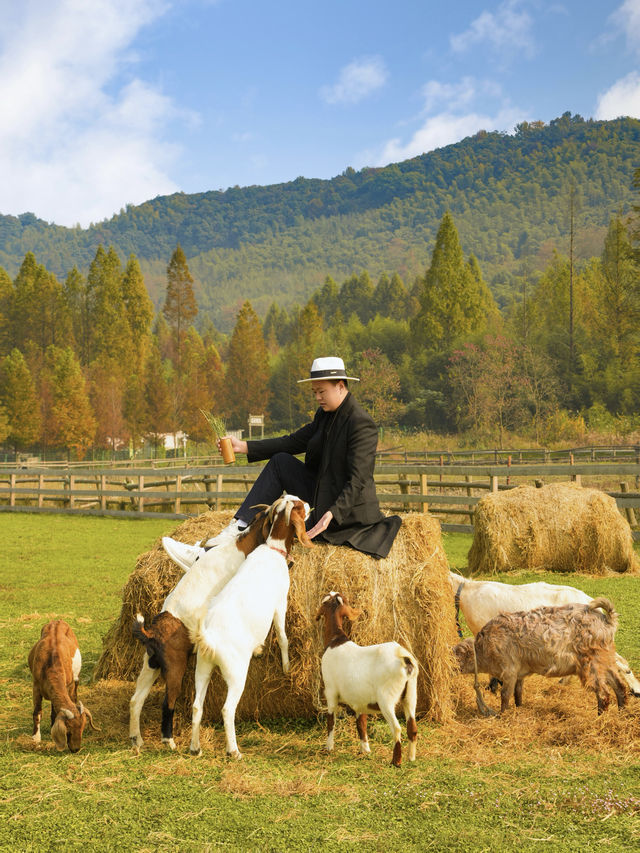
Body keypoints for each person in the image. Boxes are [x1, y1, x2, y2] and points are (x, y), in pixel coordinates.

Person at [162, 357, 401, 569]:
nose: (317, 397)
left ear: (340, 386)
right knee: (280, 462)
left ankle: (214, 552)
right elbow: (292, 442)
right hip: (320, 496)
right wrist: (243, 446)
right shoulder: (324, 416)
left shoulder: (361, 424)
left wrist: (333, 513)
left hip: (345, 512)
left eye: (322, 392)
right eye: (314, 392)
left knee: (279, 502)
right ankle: (235, 529)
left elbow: (358, 480)